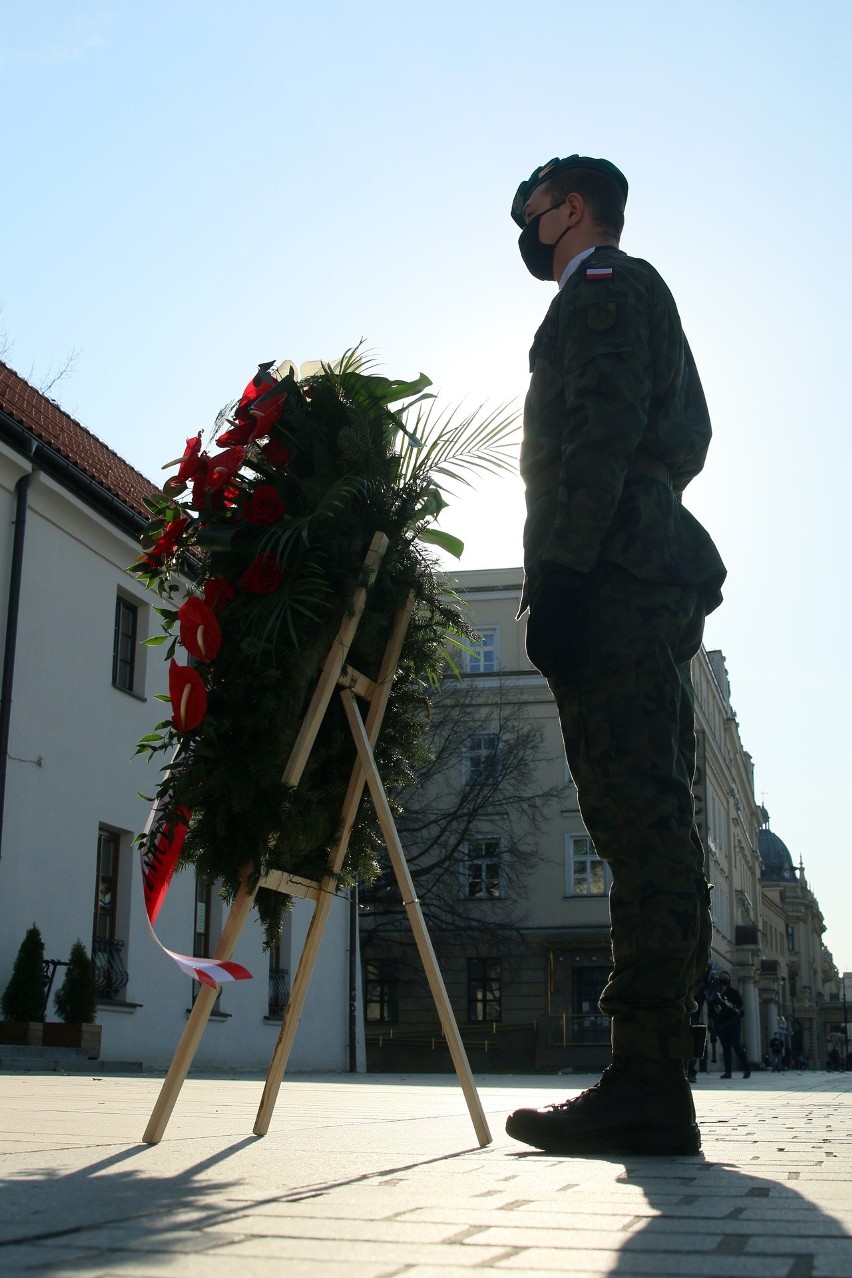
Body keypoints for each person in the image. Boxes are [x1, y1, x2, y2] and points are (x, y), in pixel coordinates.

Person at [503, 154, 726, 1157]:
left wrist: (563, 574)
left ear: (575, 208)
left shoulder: (600, 284)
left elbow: (599, 430)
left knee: (640, 826)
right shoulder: (623, 290)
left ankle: (647, 1080)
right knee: (647, 822)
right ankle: (653, 1074)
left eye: (531, 210)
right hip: (637, 568)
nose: (524, 227)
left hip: (618, 576)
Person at [710, 972, 751, 1078]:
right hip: (722, 1024)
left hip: (733, 1023)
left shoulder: (733, 992)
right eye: (723, 978)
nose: (725, 980)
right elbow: (712, 1009)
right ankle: (728, 1072)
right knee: (726, 1048)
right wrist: (715, 1011)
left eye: (726, 978)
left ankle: (747, 1068)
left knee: (736, 1045)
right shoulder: (715, 993)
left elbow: (740, 1008)